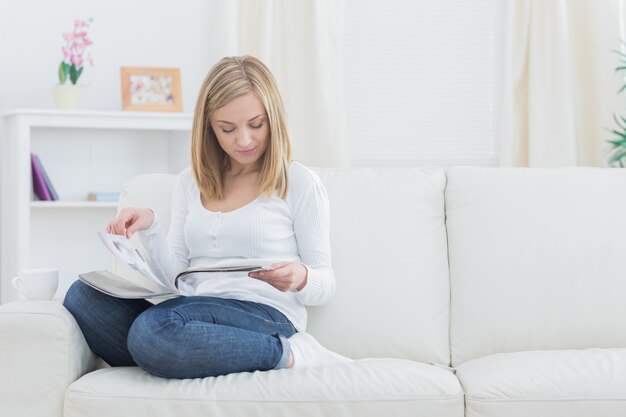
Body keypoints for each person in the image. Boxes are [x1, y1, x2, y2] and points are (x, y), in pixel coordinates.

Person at [63, 55, 350, 379]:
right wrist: (151, 227)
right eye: (227, 129)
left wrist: (301, 277)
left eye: (256, 125)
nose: (243, 140)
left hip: (266, 316)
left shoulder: (297, 181)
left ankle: (288, 354)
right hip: (194, 311)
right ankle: (174, 354)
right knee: (82, 297)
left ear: (273, 119)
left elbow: (326, 283)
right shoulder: (190, 183)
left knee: (153, 331)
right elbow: (175, 279)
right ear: (210, 128)